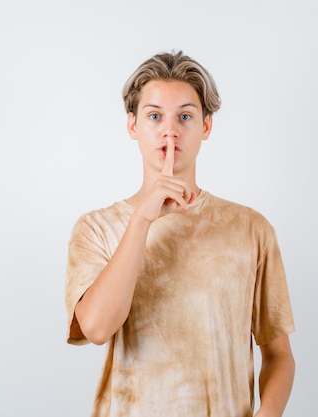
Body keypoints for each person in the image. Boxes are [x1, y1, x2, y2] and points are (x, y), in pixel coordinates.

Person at [64, 50, 295, 417]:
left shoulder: (251, 229)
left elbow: (279, 355)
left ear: (206, 126)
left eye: (185, 116)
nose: (170, 130)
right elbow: (96, 328)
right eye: (154, 115)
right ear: (132, 126)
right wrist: (142, 219)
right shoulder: (96, 228)